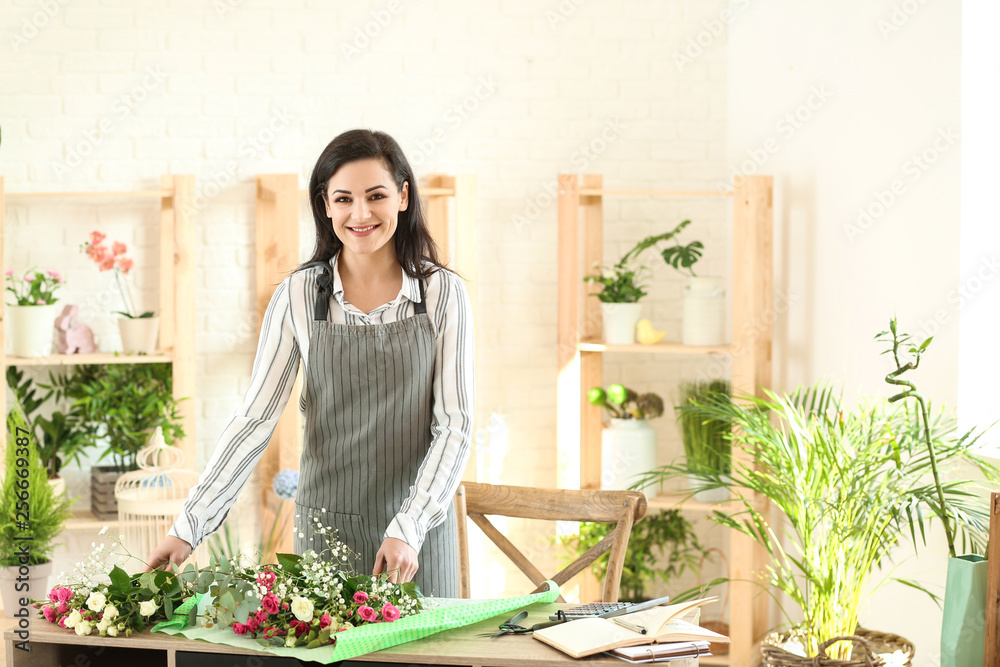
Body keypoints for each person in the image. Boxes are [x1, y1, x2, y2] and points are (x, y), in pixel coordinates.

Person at [146, 129, 475, 597]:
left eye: (376, 195)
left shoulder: (442, 293)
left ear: (403, 197)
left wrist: (411, 524)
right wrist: (188, 525)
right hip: (328, 531)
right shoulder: (298, 295)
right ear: (325, 206)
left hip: (418, 536)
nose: (360, 214)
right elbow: (254, 420)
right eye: (344, 199)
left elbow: (456, 425)